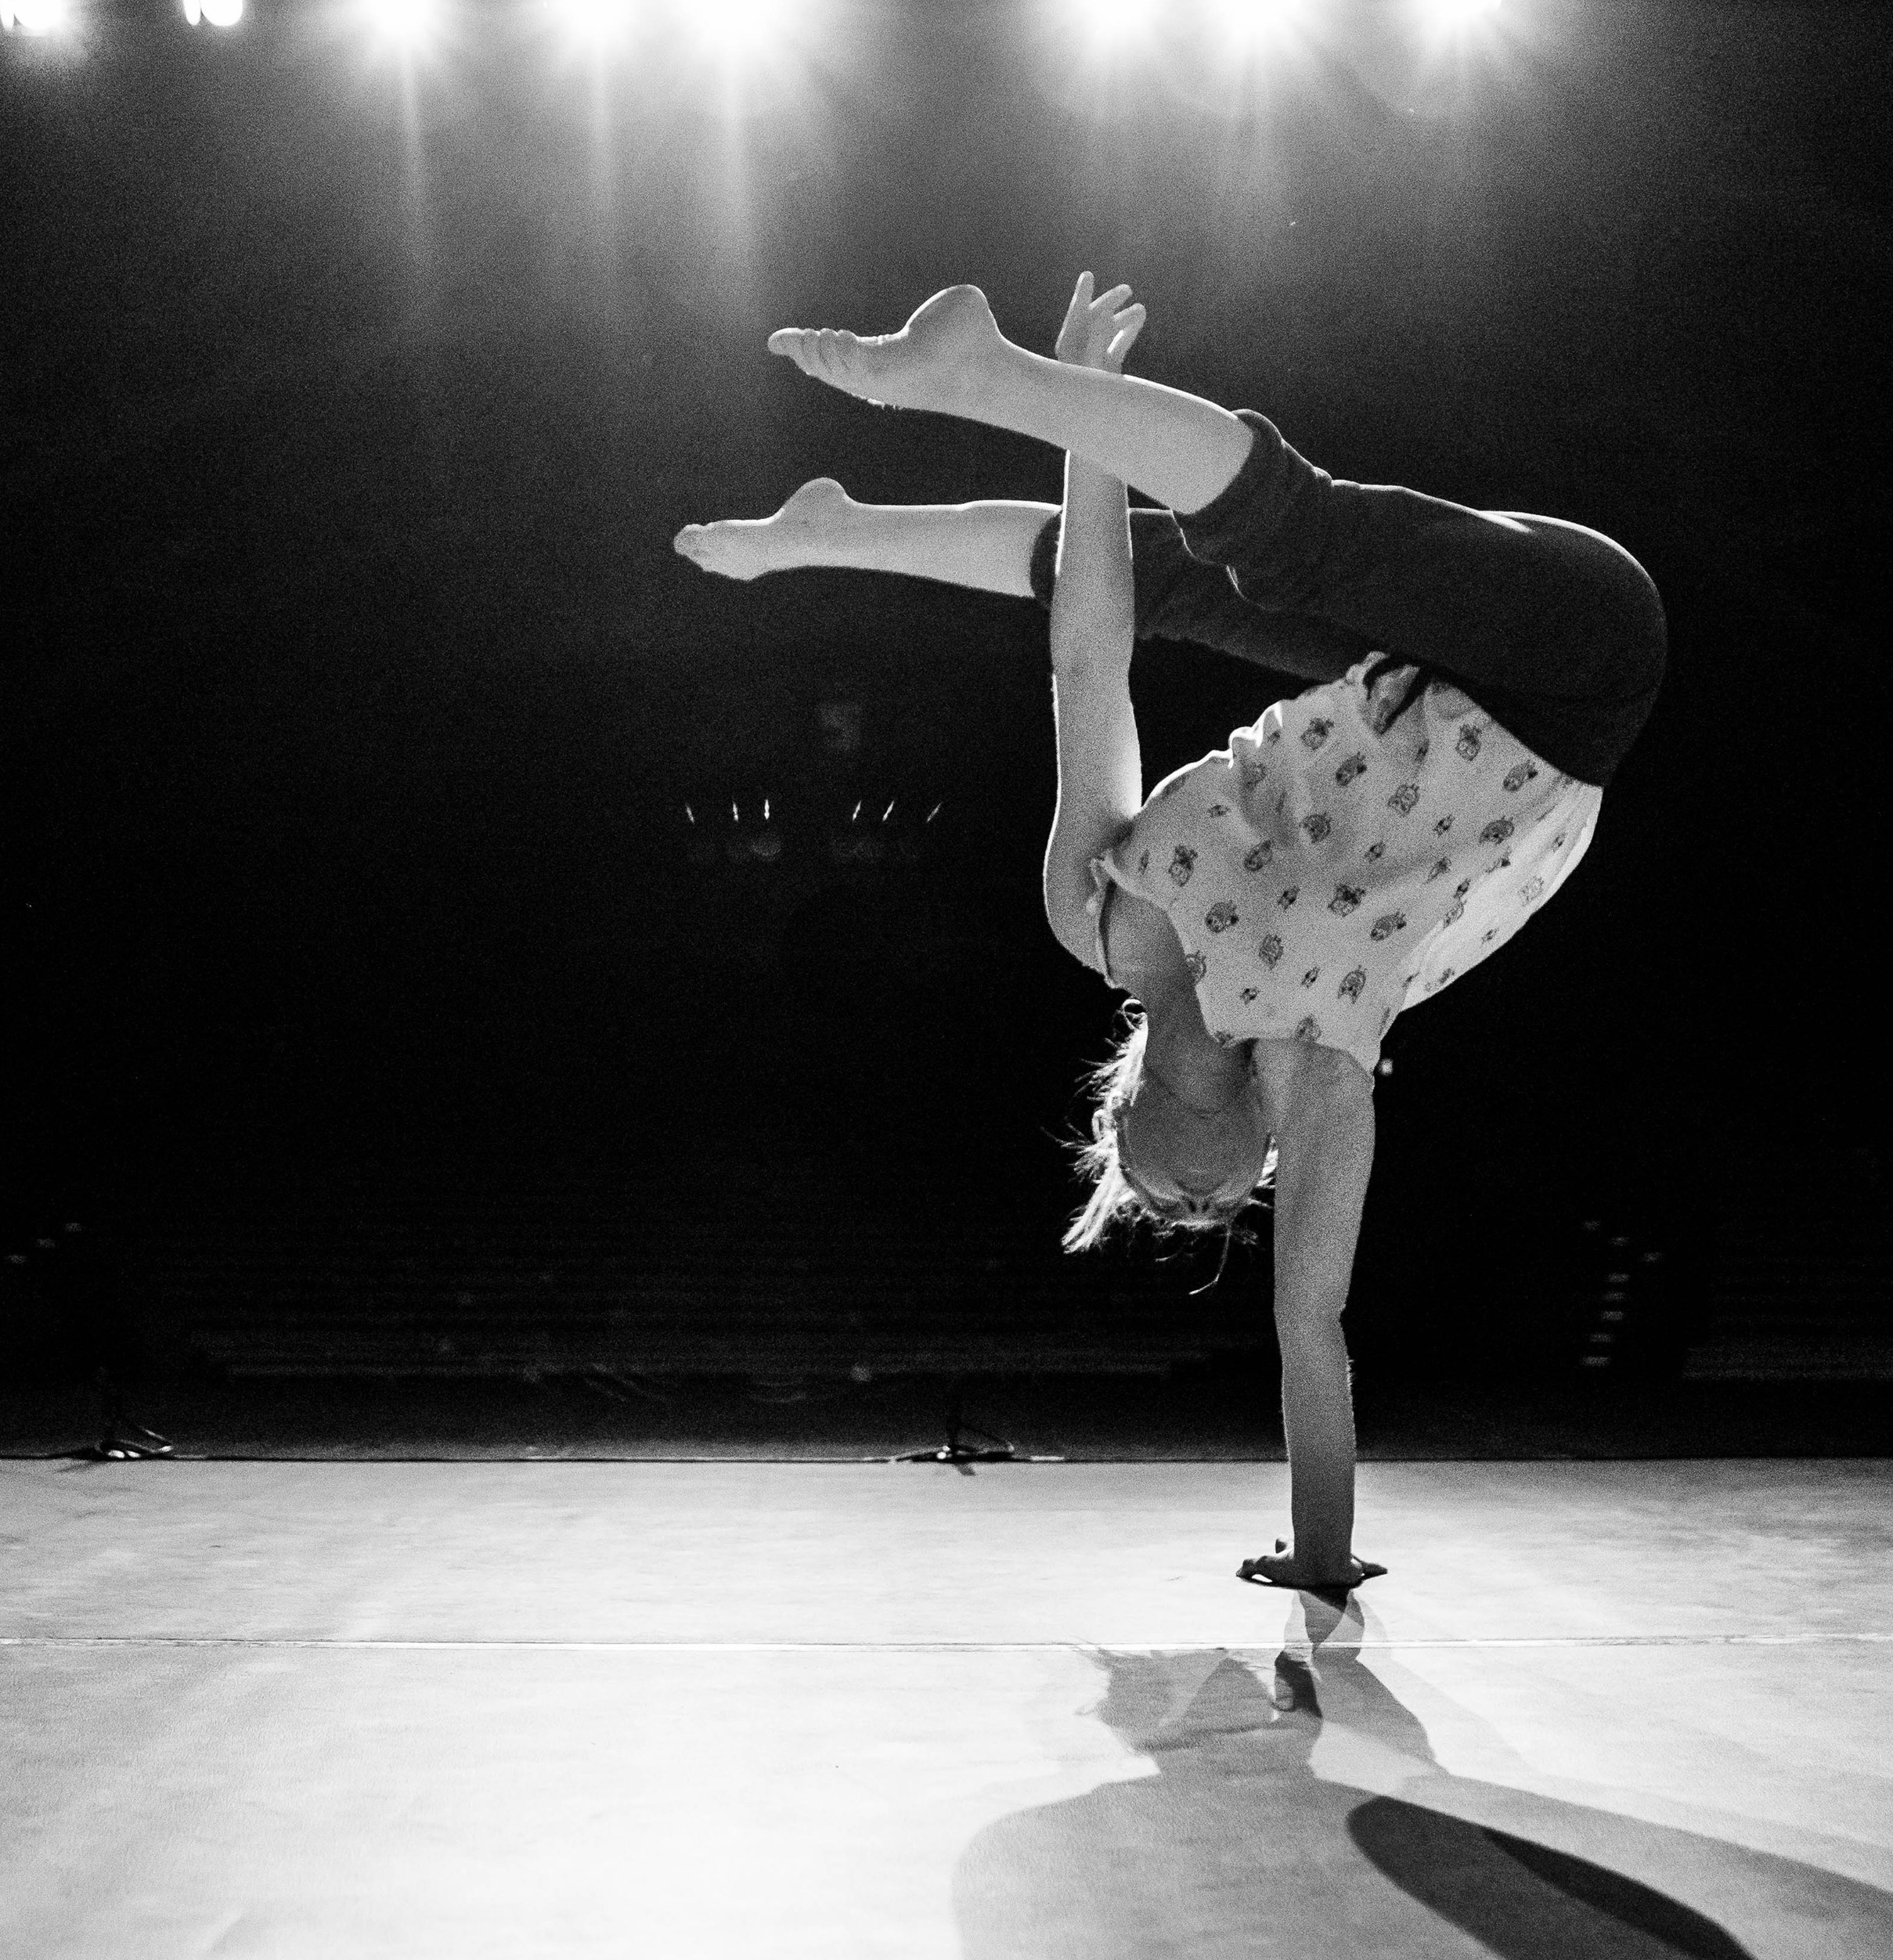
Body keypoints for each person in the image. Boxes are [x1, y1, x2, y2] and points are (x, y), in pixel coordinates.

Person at [678, 277, 1665, 1592]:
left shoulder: (1101, 918)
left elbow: (1090, 652)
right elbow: (1310, 1324)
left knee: (1169, 580)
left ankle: (835, 527)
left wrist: (1085, 417)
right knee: (1286, 548)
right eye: (1220, 1209)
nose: (1198, 1204)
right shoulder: (1314, 1065)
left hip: (1426, 666)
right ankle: (991, 378)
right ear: (1263, 1153)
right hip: (1576, 676)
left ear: (1117, 1120)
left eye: (1157, 1202)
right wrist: (1323, 1558)